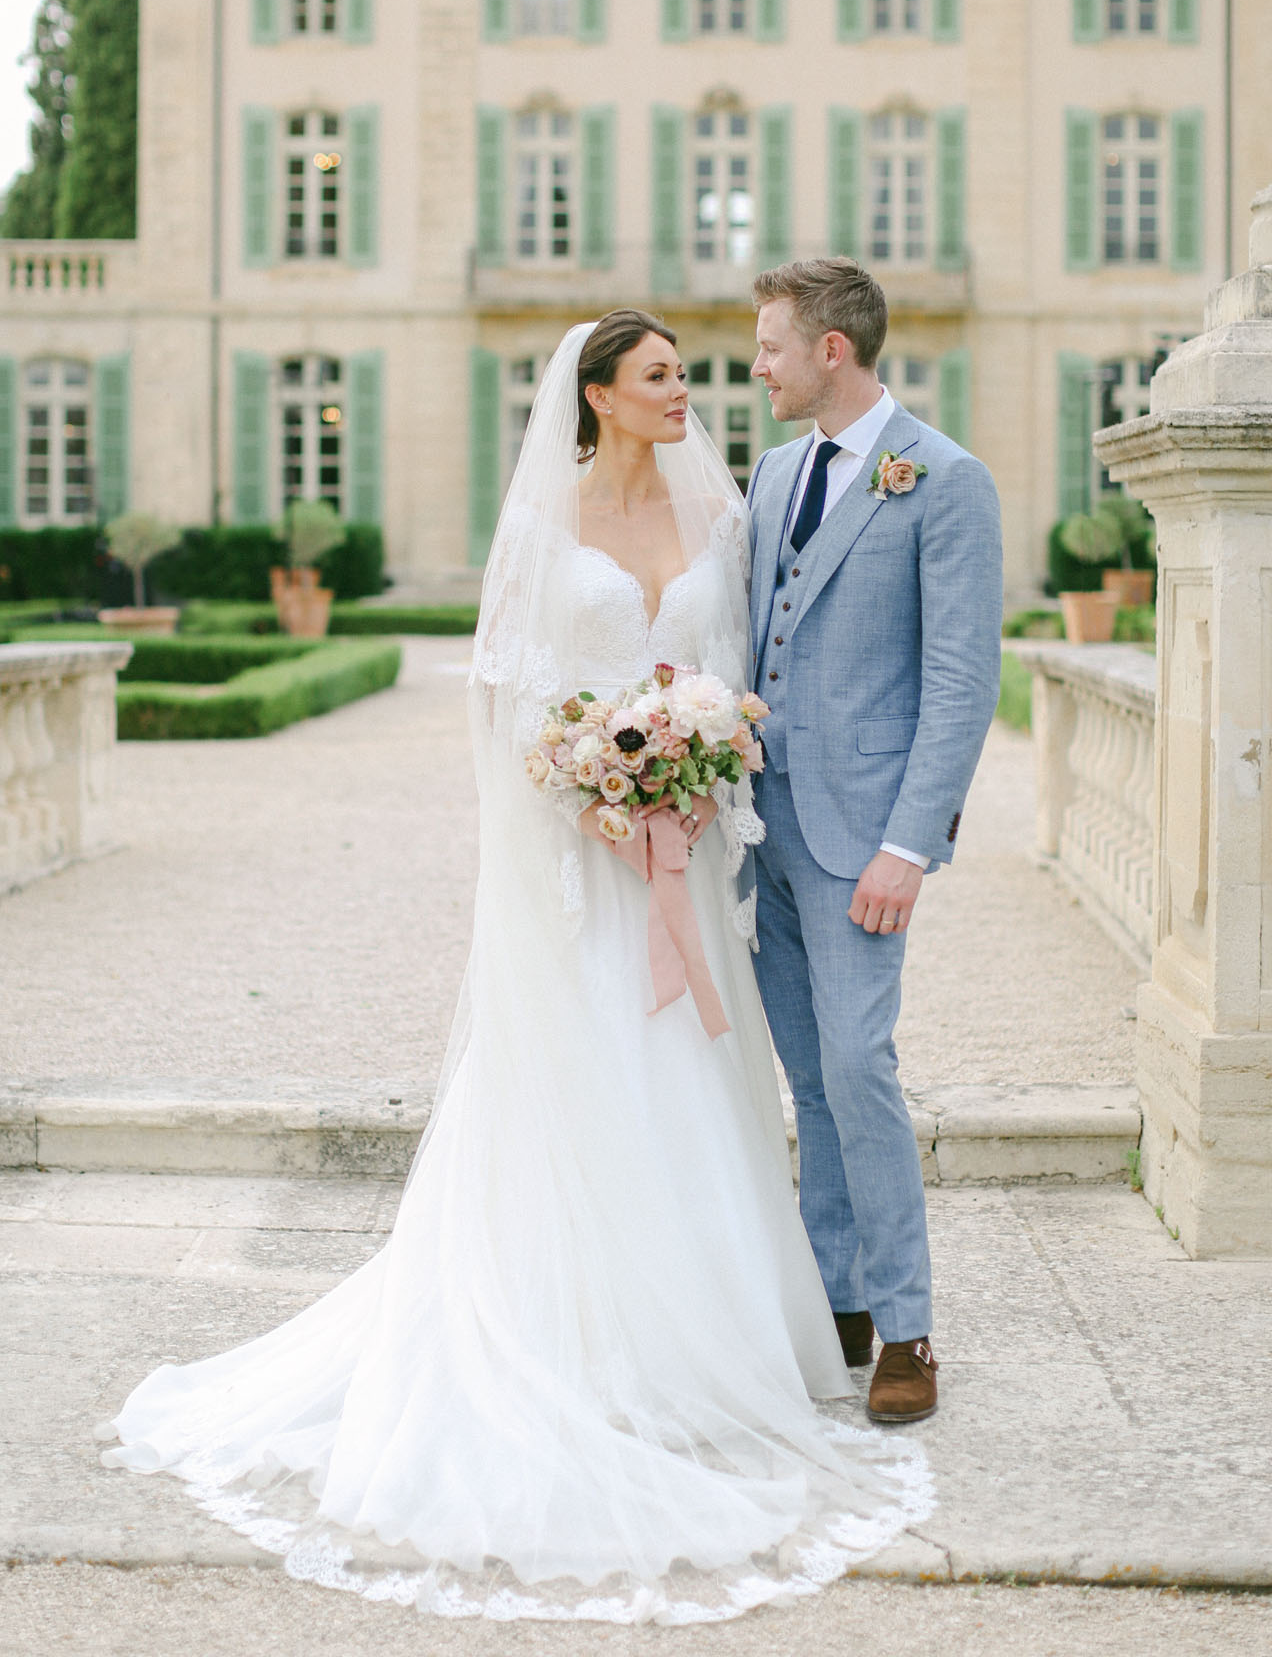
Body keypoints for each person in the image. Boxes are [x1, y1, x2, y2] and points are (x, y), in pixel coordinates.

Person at [100, 311, 931, 1624]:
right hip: (584, 857)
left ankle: (704, 1345)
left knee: (702, 1079)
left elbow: (735, 672)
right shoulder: (545, 529)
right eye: (658, 377)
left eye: (685, 376)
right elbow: (510, 699)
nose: (685, 393)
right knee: (589, 1069)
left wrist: (703, 770)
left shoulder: (726, 516)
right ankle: (582, 1342)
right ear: (595, 397)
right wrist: (589, 787)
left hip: (691, 852)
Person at [747, 258, 1003, 1427]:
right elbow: (756, 638)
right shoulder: (774, 471)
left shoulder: (945, 481)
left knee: (860, 1066)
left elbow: (960, 680)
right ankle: (837, 1297)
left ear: (831, 350)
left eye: (771, 347)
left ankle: (908, 1325)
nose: (757, 366)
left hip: (864, 837)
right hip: (763, 823)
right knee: (808, 1076)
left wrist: (913, 841)